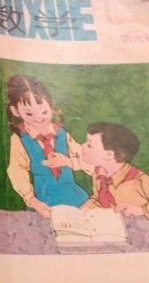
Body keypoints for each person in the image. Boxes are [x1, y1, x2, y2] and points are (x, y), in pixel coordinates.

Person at [6, 75, 90, 219]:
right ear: (15, 111)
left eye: (44, 111)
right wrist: (32, 200)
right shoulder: (19, 139)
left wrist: (68, 162)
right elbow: (16, 171)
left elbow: (88, 161)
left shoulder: (62, 134)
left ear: (51, 106)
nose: (38, 117)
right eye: (29, 113)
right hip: (43, 204)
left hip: (76, 200)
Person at [77, 122, 149, 222]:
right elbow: (98, 199)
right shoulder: (99, 175)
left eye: (89, 145)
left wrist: (141, 210)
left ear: (109, 155)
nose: (82, 146)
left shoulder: (138, 180)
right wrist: (85, 210)